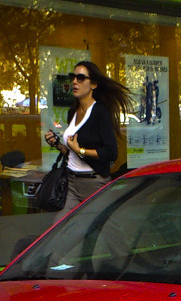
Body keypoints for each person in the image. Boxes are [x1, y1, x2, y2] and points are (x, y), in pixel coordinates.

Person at [43, 61, 132, 211]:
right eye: (73, 77)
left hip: (94, 184)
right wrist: (57, 144)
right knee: (64, 228)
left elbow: (111, 153)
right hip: (71, 182)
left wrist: (81, 151)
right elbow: (71, 151)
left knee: (95, 230)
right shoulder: (73, 111)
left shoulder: (100, 112)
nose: (74, 82)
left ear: (93, 84)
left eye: (81, 78)